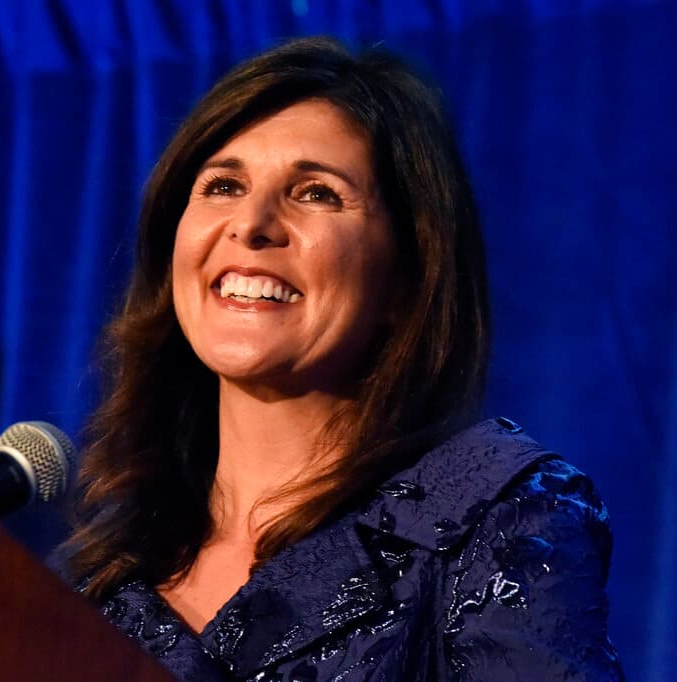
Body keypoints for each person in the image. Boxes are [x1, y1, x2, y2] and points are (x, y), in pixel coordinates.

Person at [59, 36, 624, 681]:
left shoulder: (492, 517)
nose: (251, 224)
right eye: (223, 185)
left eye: (316, 193)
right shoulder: (100, 584)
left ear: (407, 278)